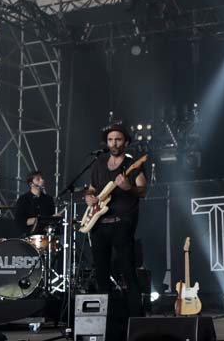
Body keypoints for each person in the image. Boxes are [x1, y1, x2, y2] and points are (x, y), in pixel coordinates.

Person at [85, 124, 147, 317]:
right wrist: (89, 197)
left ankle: (136, 318)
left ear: (125, 142)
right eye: (111, 139)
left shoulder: (133, 164)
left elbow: (143, 191)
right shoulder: (99, 163)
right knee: (101, 274)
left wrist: (128, 187)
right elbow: (92, 188)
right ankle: (107, 318)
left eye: (118, 139)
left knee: (128, 271)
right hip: (99, 224)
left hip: (122, 223)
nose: (114, 143)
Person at [14, 170, 56, 236]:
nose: (42, 180)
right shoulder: (23, 199)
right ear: (31, 184)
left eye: (42, 178)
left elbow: (51, 218)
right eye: (38, 179)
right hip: (28, 235)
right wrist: (38, 220)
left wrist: (54, 218)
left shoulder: (49, 199)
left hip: (46, 235)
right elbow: (19, 221)